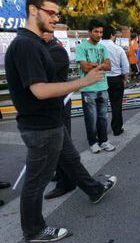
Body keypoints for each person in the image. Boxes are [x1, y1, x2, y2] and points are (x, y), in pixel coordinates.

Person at [5, 0, 117, 242]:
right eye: (51, 12)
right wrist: (83, 81)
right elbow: (40, 89)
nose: (56, 18)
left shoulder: (36, 43)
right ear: (33, 10)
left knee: (71, 160)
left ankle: (95, 189)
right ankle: (34, 230)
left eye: (58, 13)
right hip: (40, 126)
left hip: (51, 123)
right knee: (37, 181)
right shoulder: (26, 45)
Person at [42, 32, 76, 200]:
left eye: (44, 32)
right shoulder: (46, 48)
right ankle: (61, 173)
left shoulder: (56, 51)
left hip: (60, 102)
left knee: (61, 142)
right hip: (53, 103)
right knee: (57, 142)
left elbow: (43, 75)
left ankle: (66, 181)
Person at [76, 19, 115, 153]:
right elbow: (85, 68)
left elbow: (109, 66)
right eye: (96, 32)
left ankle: (103, 141)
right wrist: (100, 65)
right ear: (89, 32)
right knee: (91, 119)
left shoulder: (103, 47)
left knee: (103, 117)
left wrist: (93, 64)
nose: (99, 35)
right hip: (88, 88)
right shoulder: (81, 47)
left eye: (101, 32)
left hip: (103, 87)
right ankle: (93, 142)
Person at [101, 26, 130, 136]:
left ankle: (100, 132)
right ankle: (117, 129)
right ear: (112, 35)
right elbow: (125, 67)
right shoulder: (118, 49)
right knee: (116, 105)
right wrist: (125, 79)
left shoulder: (98, 47)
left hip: (100, 79)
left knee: (100, 107)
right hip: (116, 79)